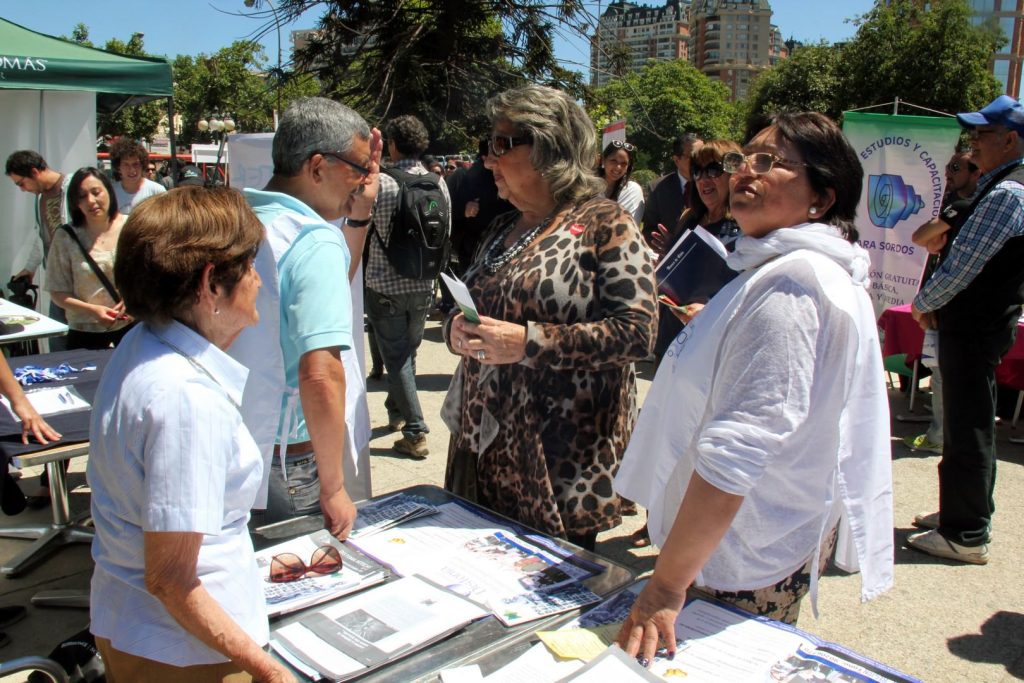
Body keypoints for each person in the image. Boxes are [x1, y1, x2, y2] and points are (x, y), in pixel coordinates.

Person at [615, 112, 894, 661]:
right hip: (745, 542)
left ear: (820, 199)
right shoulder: (783, 268)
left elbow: (738, 447)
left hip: (735, 559)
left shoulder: (790, 285)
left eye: (772, 162)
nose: (747, 171)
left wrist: (668, 587)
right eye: (746, 157)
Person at [88, 186, 295, 682]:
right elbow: (171, 579)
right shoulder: (185, 398)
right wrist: (270, 672)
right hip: (181, 652)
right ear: (210, 284)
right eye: (247, 266)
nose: (258, 279)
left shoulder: (146, 342)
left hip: (144, 629)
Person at [442, 84, 657, 551]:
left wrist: (528, 342)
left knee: (551, 603)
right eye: (488, 146)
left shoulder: (607, 224)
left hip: (561, 458)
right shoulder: (502, 227)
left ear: (548, 149)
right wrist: (456, 330)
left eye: (501, 144)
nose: (488, 159)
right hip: (485, 447)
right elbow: (477, 303)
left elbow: (637, 333)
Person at [229, 97, 380, 534]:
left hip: (239, 439)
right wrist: (333, 487)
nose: (364, 180)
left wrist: (358, 215)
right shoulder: (312, 240)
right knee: (299, 583)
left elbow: (316, 295)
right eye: (358, 168)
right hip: (288, 453)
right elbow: (320, 372)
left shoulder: (236, 218)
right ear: (317, 167)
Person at [908, 95, 1024, 565]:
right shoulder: (999, 186)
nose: (973, 142)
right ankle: (961, 514)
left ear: (1011, 140)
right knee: (964, 423)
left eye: (983, 134)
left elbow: (963, 265)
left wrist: (923, 303)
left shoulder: (1007, 193)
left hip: (975, 326)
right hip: (977, 324)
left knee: (970, 425)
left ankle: (966, 533)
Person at [365, 114, 452, 459]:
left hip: (384, 284)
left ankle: (415, 431)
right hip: (423, 283)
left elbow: (360, 227)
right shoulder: (438, 183)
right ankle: (397, 411)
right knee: (406, 353)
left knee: (396, 356)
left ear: (393, 145)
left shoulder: (382, 184)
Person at [46, 167, 133, 350]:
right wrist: (93, 311)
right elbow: (58, 292)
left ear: (109, 190)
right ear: (75, 202)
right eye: (82, 196)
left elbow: (148, 275)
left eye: (96, 192)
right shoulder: (65, 236)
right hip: (84, 334)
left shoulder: (132, 227)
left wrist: (132, 300)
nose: (91, 201)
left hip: (131, 328)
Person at [5, 149, 72, 349]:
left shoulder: (72, 187)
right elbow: (42, 235)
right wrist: (30, 267)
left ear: (34, 172)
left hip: (81, 282)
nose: (22, 190)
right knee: (59, 343)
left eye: (21, 183)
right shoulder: (40, 197)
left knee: (82, 346)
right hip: (59, 282)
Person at [642, 133, 702, 243]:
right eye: (693, 157)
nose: (699, 161)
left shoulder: (712, 184)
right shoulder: (657, 189)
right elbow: (649, 230)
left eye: (703, 155)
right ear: (676, 160)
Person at [108, 138, 166, 214]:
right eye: (126, 164)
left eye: (135, 164)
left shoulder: (157, 191)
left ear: (142, 165)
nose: (132, 169)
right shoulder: (111, 193)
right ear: (118, 167)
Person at [598, 140, 645, 226]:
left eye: (624, 163)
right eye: (613, 161)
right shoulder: (587, 188)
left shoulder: (631, 191)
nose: (618, 167)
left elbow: (629, 227)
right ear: (603, 160)